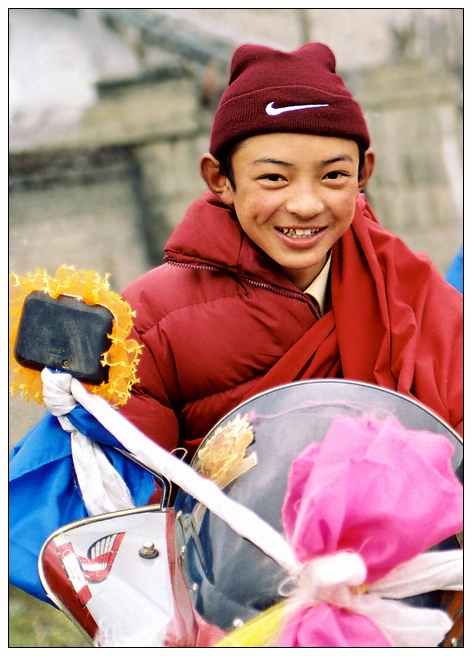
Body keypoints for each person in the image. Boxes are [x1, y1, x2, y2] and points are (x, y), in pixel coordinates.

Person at [119, 42, 463, 461]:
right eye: (274, 178)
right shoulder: (148, 322)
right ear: (220, 179)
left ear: (363, 174)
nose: (305, 205)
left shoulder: (409, 288)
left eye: (334, 175)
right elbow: (134, 493)